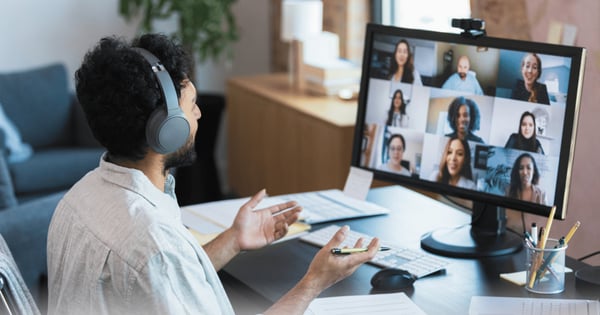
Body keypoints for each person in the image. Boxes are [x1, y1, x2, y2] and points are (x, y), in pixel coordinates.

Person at [46, 34, 380, 315]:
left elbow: (161, 281)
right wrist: (315, 281)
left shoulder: (77, 199)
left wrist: (233, 239)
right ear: (167, 129)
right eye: (192, 105)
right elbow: (157, 263)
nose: (200, 113)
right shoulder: (153, 244)